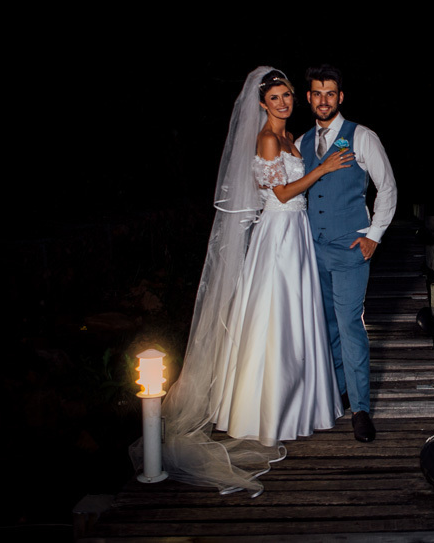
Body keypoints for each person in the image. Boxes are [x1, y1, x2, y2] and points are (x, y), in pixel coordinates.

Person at [131, 66, 351, 496]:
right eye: (275, 98)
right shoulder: (267, 138)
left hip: (296, 233)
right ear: (262, 104)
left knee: (297, 318)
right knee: (275, 316)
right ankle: (265, 411)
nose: (284, 103)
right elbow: (282, 193)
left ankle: (301, 406)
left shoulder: (289, 136)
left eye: (287, 96)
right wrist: (323, 170)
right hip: (278, 234)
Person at [296, 64, 397, 443]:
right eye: (317, 93)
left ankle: (360, 409)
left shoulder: (361, 136)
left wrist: (374, 236)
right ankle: (339, 390)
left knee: (351, 324)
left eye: (330, 93)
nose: (323, 100)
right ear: (309, 98)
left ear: (340, 97)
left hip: (350, 246)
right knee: (326, 325)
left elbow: (387, 187)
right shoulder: (302, 142)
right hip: (313, 248)